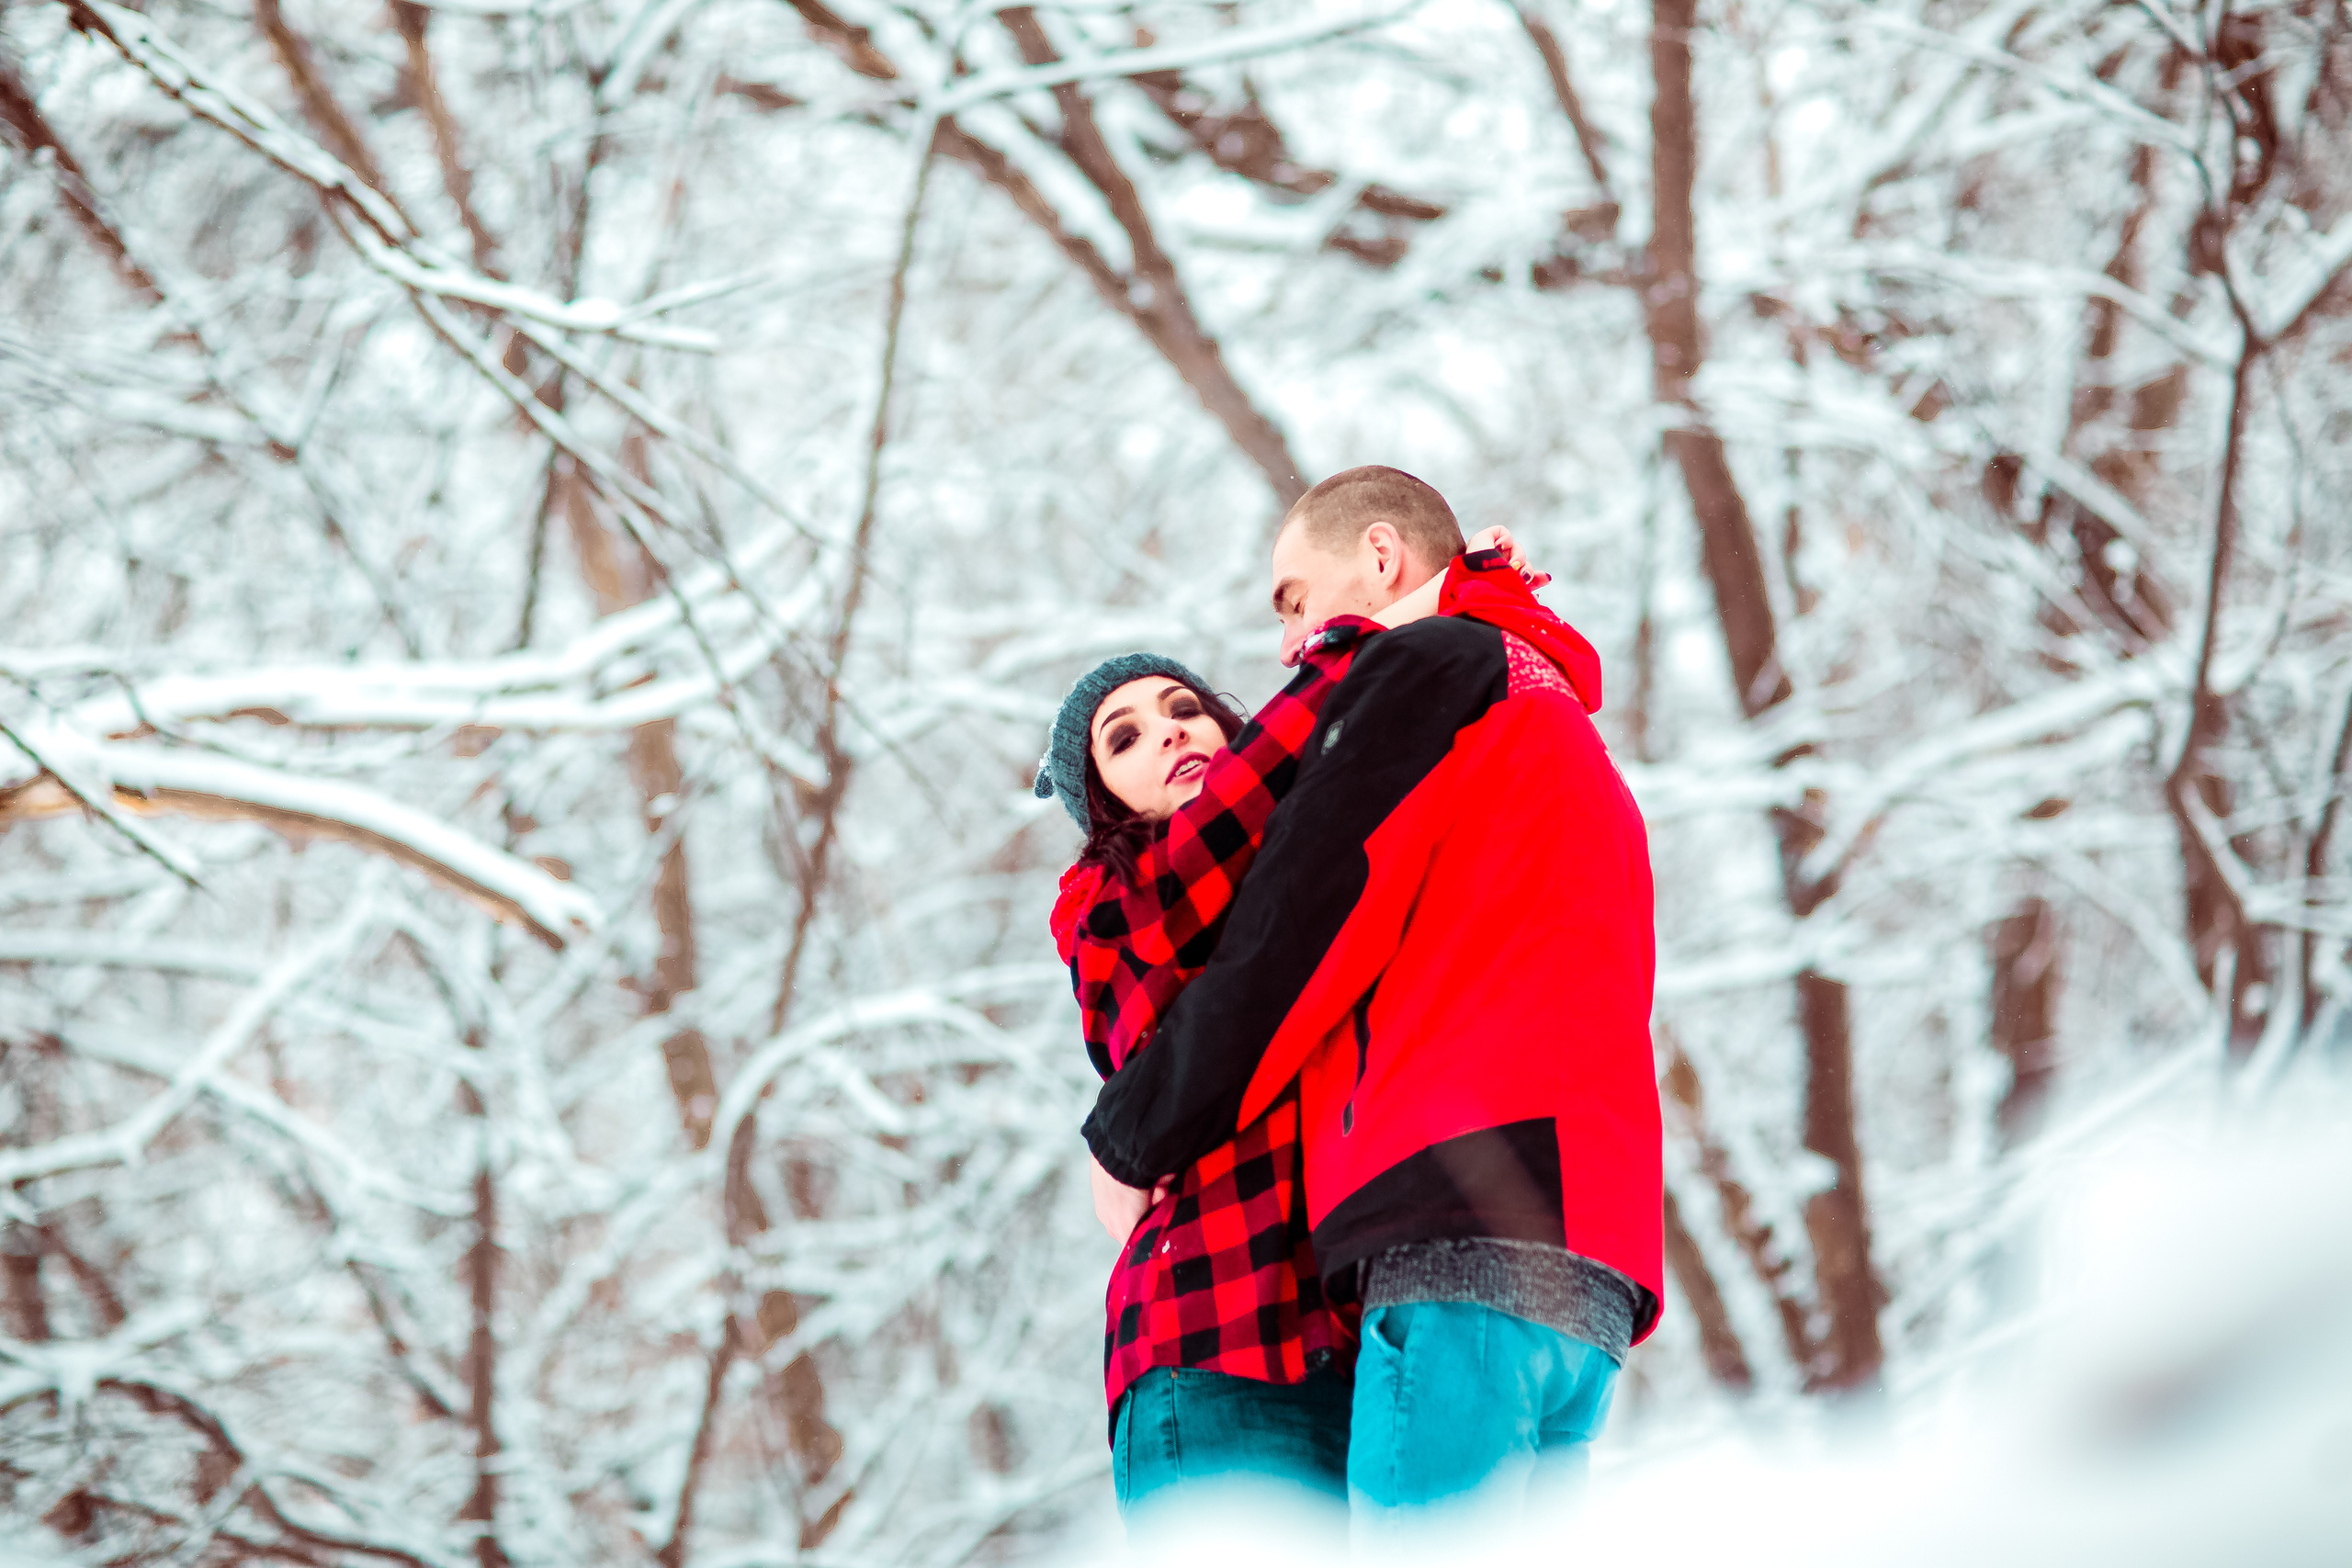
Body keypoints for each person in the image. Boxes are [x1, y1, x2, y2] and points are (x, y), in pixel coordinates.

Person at [1078, 466, 1665, 1530]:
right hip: (1595, 1259)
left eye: (1296, 602)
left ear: (1381, 562)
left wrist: (1125, 1138)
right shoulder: (1549, 710)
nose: (1295, 642)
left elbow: (1292, 936)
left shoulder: (1423, 667)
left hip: (1460, 1225)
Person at [1035, 522, 1538, 1530]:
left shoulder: (1279, 850)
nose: (1170, 731)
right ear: (1099, 801)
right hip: (1204, 1339)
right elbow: (1256, 800)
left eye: (1185, 709)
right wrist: (1385, 631)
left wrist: (1467, 602)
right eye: (1124, 737)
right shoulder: (1112, 898)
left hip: (1339, 1333)